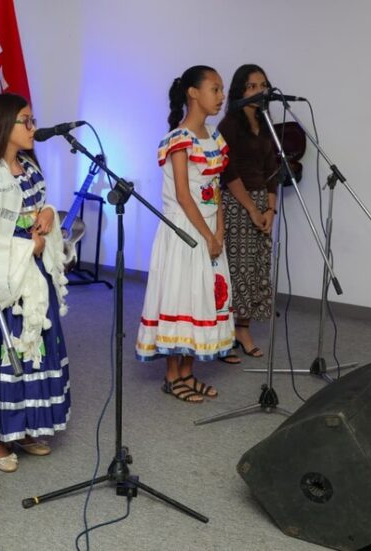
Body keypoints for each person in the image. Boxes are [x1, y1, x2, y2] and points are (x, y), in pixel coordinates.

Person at [0, 93, 70, 472]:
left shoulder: (28, 167)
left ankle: (23, 426)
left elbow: (39, 206)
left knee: (33, 351)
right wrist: (29, 245)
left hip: (33, 274)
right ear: (1, 126)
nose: (33, 127)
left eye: (32, 119)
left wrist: (47, 214)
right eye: (25, 121)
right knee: (7, 354)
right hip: (5, 282)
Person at [135, 66, 235, 403]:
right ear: (193, 93)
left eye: (221, 89)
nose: (221, 96)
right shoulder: (178, 139)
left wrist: (219, 230)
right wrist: (207, 235)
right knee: (180, 295)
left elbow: (215, 190)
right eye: (214, 89)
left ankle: (189, 372)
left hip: (210, 230)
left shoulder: (214, 138)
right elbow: (182, 194)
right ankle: (172, 375)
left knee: (203, 296)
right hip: (184, 230)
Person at [217, 64, 279, 363]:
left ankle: (243, 330)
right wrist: (252, 209)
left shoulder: (266, 123)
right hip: (236, 202)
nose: (259, 91)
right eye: (252, 86)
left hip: (261, 202)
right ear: (240, 90)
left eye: (263, 85)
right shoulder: (229, 124)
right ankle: (224, 334)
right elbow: (228, 172)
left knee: (255, 269)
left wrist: (270, 209)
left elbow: (272, 169)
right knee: (235, 270)